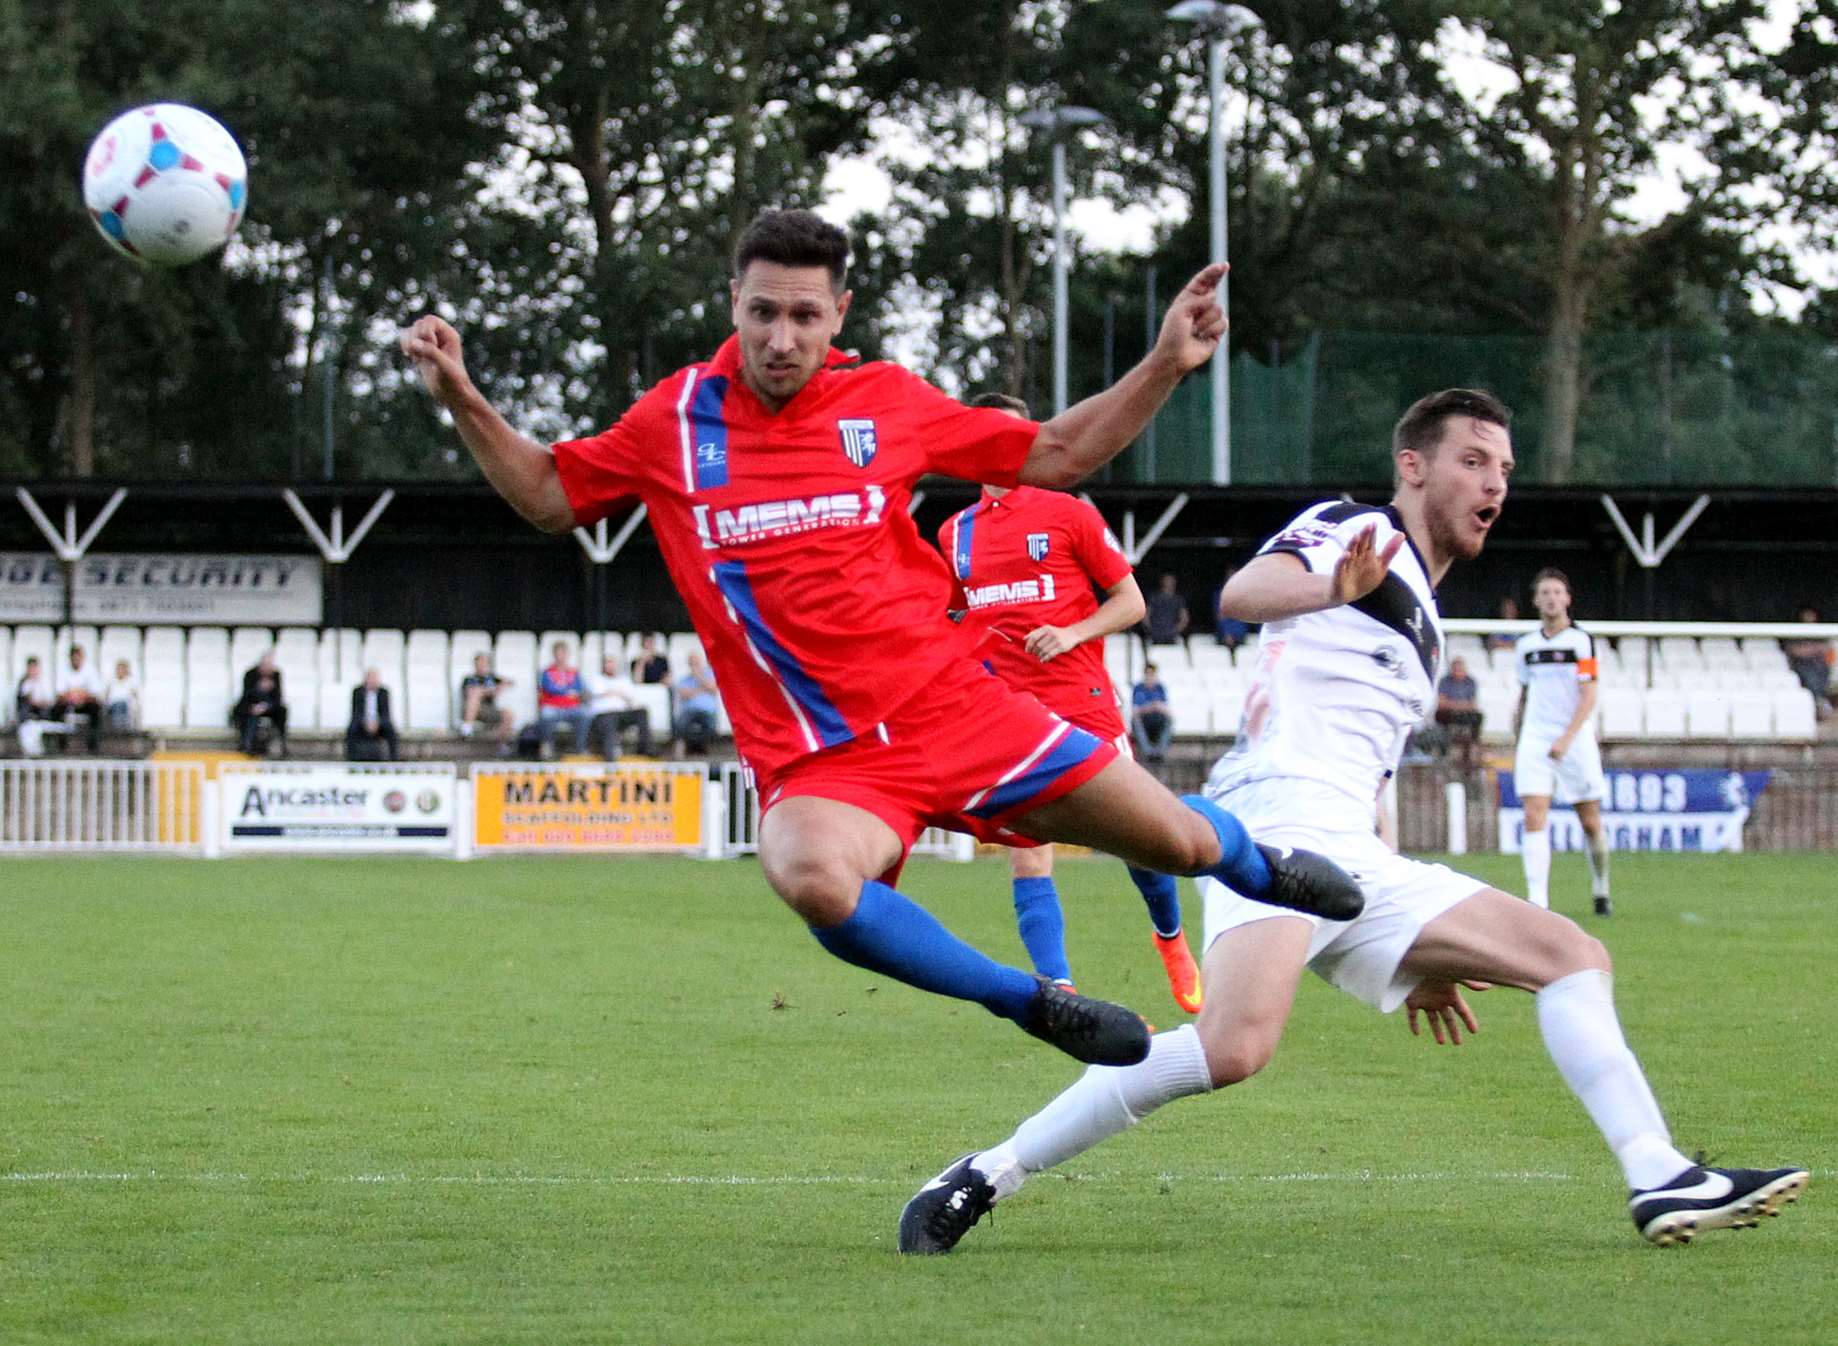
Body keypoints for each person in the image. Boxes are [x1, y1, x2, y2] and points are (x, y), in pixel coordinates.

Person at [402, 207, 1361, 1071]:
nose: (783, 339)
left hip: (959, 711)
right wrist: (460, 394)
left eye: (806, 317)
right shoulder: (675, 420)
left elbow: (1055, 453)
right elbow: (548, 495)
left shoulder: (885, 403)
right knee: (811, 875)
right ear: (733, 301)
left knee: (1183, 843)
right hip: (824, 759)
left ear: (841, 313)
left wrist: (1164, 366)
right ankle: (1032, 1002)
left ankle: (1258, 865)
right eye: (764, 312)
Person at [899, 388, 1806, 1255]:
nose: (1494, 483)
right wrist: (1332, 585)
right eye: (1472, 460)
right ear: (1412, 465)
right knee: (1232, 1045)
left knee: (1567, 957)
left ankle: (1659, 1172)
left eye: (1505, 467)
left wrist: (1421, 943)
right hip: (1282, 815)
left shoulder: (1427, 614)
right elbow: (1244, 595)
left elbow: (1367, 771)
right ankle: (987, 1172)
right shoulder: (1357, 530)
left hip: (1349, 845)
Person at [937, 392, 1201, 1015]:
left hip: (1082, 705)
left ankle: (1170, 938)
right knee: (1028, 855)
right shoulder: (956, 533)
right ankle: (1060, 988)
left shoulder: (1067, 513)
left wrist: (1073, 633)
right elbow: (952, 616)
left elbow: (1131, 603)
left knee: (1146, 839)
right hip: (1012, 718)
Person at [1514, 568, 1610, 916]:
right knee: (1533, 813)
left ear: (1567, 598)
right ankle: (1537, 902)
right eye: (1544, 593)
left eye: (1557, 592)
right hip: (1536, 736)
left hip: (1574, 737)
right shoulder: (1526, 646)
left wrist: (1567, 738)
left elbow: (1588, 696)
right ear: (1536, 600)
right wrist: (1519, 733)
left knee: (1589, 821)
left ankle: (1601, 885)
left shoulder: (1581, 642)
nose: (1551, 598)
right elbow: (1524, 694)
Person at [584, 653, 655, 758]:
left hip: (621, 713)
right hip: (603, 715)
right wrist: (617, 693)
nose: (610, 666)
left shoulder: (624, 680)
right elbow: (596, 693)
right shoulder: (596, 679)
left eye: (612, 663)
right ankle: (610, 757)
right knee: (609, 720)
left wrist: (611, 693)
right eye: (607, 663)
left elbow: (630, 697)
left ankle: (644, 749)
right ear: (603, 665)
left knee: (642, 712)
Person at [537, 641, 593, 751]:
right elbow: (549, 688)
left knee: (586, 714)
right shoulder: (547, 672)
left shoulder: (574, 672)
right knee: (546, 714)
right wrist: (567, 691)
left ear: (567, 654)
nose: (561, 656)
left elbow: (579, 689)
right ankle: (547, 745)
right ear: (554, 654)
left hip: (571, 707)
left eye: (563, 653)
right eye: (558, 653)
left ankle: (580, 747)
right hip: (553, 706)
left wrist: (563, 690)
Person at [1782, 606, 1835, 717]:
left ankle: (1819, 702)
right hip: (1800, 666)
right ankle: (1818, 702)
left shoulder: (1821, 633)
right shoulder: (1795, 633)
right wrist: (1814, 649)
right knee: (1808, 674)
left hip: (1820, 666)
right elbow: (1796, 651)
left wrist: (1811, 649)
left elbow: (1827, 649)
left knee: (1822, 671)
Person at [233, 651, 288, 757]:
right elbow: (246, 694)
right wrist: (259, 689)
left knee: (282, 711)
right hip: (251, 705)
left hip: (269, 707)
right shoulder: (250, 674)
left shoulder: (276, 675)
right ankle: (247, 743)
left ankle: (281, 744)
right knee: (248, 714)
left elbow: (278, 697)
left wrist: (265, 706)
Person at [54, 644, 104, 752]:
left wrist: (80, 696)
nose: (76, 660)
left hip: (85, 703)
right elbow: (60, 693)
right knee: (56, 709)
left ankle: (93, 746)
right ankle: (60, 745)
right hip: (69, 702)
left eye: (78, 657)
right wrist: (72, 696)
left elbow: (95, 692)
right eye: (74, 658)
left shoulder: (90, 670)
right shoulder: (63, 670)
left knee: (96, 708)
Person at [1435, 654, 1483, 767]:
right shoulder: (1445, 681)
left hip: (1464, 714)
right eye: (1455, 669)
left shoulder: (1471, 681)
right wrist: (1461, 704)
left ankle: (1471, 747)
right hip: (1448, 714)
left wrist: (1454, 704)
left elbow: (1473, 704)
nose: (1458, 672)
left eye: (1460, 669)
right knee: (1441, 716)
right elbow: (1442, 703)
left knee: (1478, 717)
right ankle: (1443, 750)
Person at [346, 667, 400, 761]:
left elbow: (386, 713)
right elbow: (356, 712)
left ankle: (394, 759)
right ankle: (351, 759)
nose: (373, 681)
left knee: (392, 731)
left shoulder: (384, 692)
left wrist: (377, 723)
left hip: (379, 723)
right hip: (362, 722)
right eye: (370, 678)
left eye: (375, 679)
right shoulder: (357, 692)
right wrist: (365, 723)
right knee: (351, 730)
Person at [672, 651, 721, 754]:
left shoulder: (710, 674)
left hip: (707, 711)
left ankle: (697, 747)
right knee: (681, 724)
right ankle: (690, 748)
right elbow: (684, 694)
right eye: (692, 663)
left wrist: (698, 677)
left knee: (710, 728)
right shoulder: (684, 679)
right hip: (689, 710)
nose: (694, 666)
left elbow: (713, 689)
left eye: (696, 663)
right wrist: (702, 688)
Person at [459, 652, 513, 743]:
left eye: (484, 662)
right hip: (473, 710)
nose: (481, 665)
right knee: (475, 695)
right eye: (479, 662)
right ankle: (467, 729)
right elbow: (470, 692)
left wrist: (500, 687)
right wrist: (489, 691)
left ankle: (500, 743)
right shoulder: (469, 679)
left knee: (508, 714)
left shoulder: (492, 678)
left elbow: (509, 682)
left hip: (490, 710)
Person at [13, 655, 55, 757]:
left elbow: (48, 701)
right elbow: (29, 700)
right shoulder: (25, 683)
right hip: (28, 717)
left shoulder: (43, 682)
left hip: (43, 715)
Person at [1130, 663, 1172, 762]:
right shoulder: (1138, 688)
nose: (1150, 677)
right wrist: (1151, 707)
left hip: (1157, 720)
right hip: (1144, 720)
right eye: (1148, 674)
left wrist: (1155, 707)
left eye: (1152, 674)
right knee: (1136, 721)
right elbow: (1135, 710)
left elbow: (1165, 709)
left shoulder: (1160, 688)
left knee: (1169, 720)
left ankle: (1160, 752)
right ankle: (1148, 752)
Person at [1143, 573, 1189, 645]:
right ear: (1162, 582)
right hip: (1156, 634)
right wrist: (1152, 630)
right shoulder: (1154, 598)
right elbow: (1146, 615)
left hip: (1172, 635)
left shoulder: (1178, 599)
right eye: (1167, 581)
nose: (1168, 583)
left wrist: (1175, 631)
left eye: (1171, 581)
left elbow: (1184, 618)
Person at [1213, 569, 1250, 651]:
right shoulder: (1220, 594)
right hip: (1224, 635)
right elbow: (1220, 616)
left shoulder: (1243, 595)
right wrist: (1227, 633)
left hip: (1241, 635)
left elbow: (1245, 616)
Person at [104, 658, 141, 733]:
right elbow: (106, 696)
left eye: (122, 669)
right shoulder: (111, 682)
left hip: (125, 704)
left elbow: (136, 696)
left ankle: (119, 730)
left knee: (120, 706)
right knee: (116, 706)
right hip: (112, 704)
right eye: (118, 669)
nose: (120, 671)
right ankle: (117, 729)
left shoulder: (130, 682)